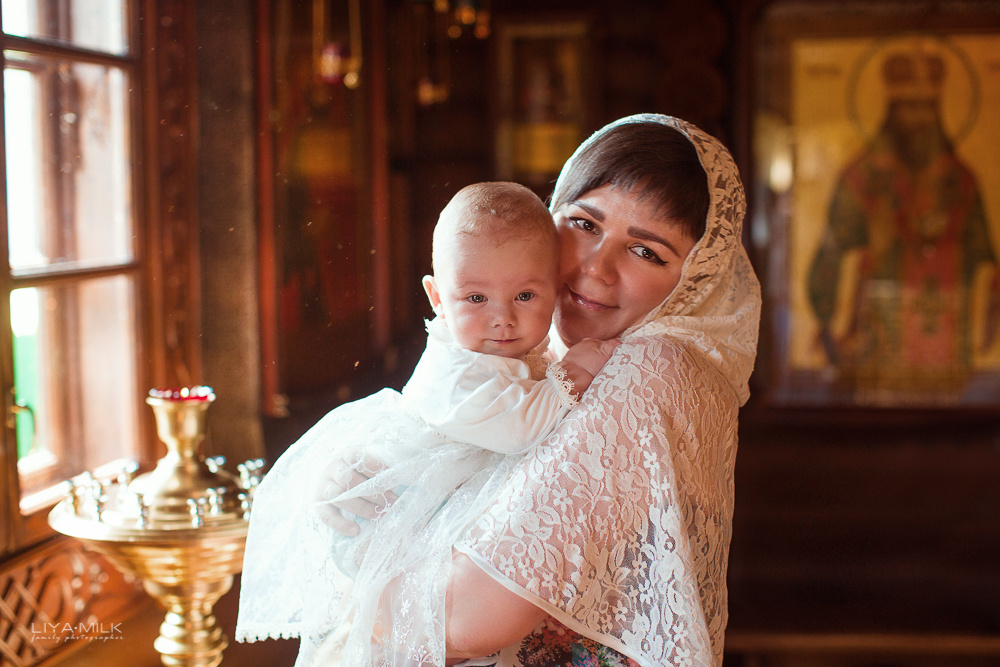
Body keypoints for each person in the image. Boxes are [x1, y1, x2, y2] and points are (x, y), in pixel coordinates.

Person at [315, 114, 761, 667]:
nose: (594, 269)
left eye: (647, 252)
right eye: (582, 224)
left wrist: (356, 554)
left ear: (695, 277)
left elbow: (464, 619)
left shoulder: (649, 369)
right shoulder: (534, 359)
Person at [236, 181, 620, 666]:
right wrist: (573, 374)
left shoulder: (505, 350)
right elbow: (521, 430)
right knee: (387, 646)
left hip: (433, 509)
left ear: (556, 289)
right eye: (476, 298)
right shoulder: (454, 370)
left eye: (525, 295)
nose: (502, 319)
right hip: (385, 514)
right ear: (437, 296)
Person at [808, 46, 999, 400]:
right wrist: (873, 250)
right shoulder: (860, 180)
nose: (920, 119)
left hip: (948, 352)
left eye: (927, 107)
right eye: (909, 108)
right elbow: (830, 261)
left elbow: (984, 257)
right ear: (892, 112)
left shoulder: (961, 181)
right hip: (877, 349)